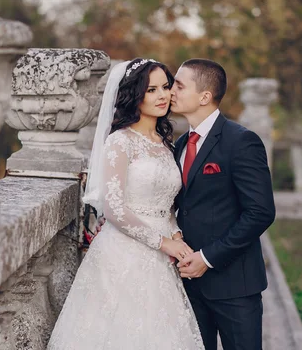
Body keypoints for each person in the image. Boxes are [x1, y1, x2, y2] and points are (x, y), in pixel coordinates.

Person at [48, 59, 205, 350]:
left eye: (166, 87)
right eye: (151, 90)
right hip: (124, 253)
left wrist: (176, 234)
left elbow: (166, 202)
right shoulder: (120, 142)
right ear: (134, 95)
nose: (162, 95)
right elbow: (115, 209)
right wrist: (163, 242)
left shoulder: (165, 143)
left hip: (161, 257)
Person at [170, 58, 276, 350]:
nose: (171, 90)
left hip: (234, 287)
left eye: (179, 85)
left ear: (204, 96)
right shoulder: (180, 145)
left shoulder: (241, 142)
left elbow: (260, 212)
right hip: (188, 284)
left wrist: (207, 258)